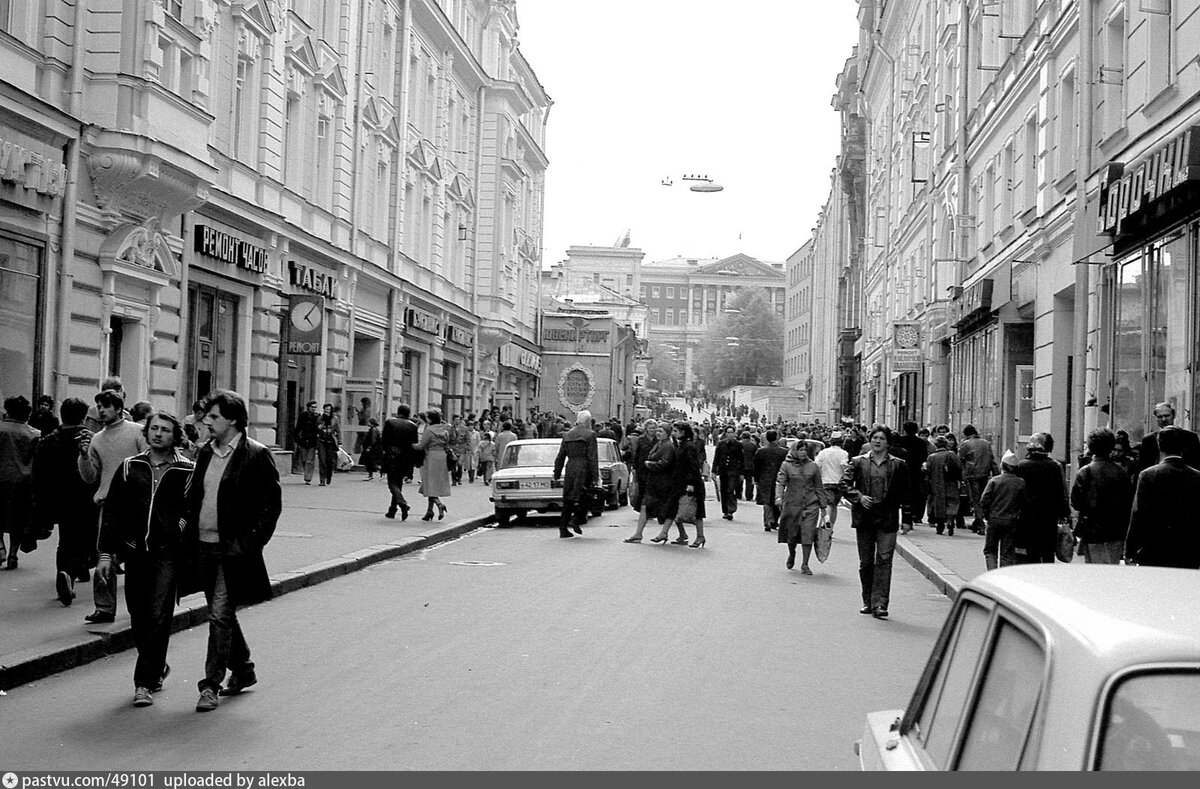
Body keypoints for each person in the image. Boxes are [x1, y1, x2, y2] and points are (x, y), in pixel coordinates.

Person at [182, 390, 281, 712]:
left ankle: (209, 685)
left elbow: (270, 507)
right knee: (220, 613)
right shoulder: (204, 453)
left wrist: (247, 545)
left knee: (220, 615)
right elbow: (194, 497)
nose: (206, 422)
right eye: (206, 416)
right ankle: (244, 670)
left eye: (213, 417)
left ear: (233, 420)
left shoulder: (256, 454)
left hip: (231, 550)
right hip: (203, 546)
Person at [96, 412, 194, 707]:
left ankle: (144, 683)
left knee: (158, 616)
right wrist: (105, 554)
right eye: (154, 429)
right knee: (139, 616)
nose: (158, 434)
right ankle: (157, 665)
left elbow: (192, 510)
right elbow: (113, 511)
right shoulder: (130, 467)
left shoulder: (187, 470)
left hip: (167, 553)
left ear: (174, 435)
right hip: (134, 551)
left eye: (165, 430)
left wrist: (176, 528)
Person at [77, 390, 147, 622]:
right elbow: (89, 477)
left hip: (138, 504)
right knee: (104, 555)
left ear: (119, 408)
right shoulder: (96, 439)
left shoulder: (136, 432)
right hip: (108, 504)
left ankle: (143, 606)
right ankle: (104, 608)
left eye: (106, 406)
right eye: (99, 406)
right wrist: (84, 456)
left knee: (140, 557)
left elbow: (148, 462)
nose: (101, 410)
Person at [840, 426, 912, 619]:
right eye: (874, 438)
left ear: (888, 442)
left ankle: (880, 603)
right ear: (870, 441)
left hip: (887, 517)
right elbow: (844, 484)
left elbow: (906, 492)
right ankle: (867, 600)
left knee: (884, 559)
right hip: (865, 517)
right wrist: (859, 496)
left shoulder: (898, 464)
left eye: (881, 438)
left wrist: (907, 518)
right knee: (866, 562)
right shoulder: (858, 462)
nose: (877, 441)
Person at [32, 397, 98, 604]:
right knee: (86, 539)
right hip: (86, 497)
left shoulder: (48, 440)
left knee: (66, 539)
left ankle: (64, 573)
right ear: (83, 416)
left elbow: (38, 475)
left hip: (58, 498)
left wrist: (40, 503)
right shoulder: (90, 440)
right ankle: (71, 571)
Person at [1125, 426, 1200, 568]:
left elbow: (1138, 514)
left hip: (1154, 547)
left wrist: (1130, 550)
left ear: (1159, 445)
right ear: (1183, 447)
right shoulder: (1196, 477)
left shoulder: (1148, 475)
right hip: (1188, 548)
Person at [1071, 428, 1134, 565]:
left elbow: (1076, 502)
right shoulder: (1122, 473)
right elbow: (1128, 503)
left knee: (1095, 570)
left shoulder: (1085, 471)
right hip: (1116, 531)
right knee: (1111, 567)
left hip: (1093, 531)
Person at [1013, 433, 1070, 564]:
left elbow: (1016, 492)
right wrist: (1064, 514)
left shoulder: (1021, 466)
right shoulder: (1055, 466)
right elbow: (1062, 493)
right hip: (1049, 517)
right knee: (1047, 552)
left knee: (1029, 553)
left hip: (1026, 516)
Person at [775, 439, 830, 574]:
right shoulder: (786, 465)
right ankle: (792, 552)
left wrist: (823, 507)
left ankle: (805, 564)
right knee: (792, 534)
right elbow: (780, 482)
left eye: (805, 450)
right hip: (792, 504)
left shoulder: (813, 466)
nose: (803, 452)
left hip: (811, 505)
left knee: (808, 534)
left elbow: (819, 487)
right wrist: (779, 497)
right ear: (794, 451)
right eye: (800, 450)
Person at [1, 395, 41, 571]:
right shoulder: (34, 434)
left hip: (0, 479)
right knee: (17, 519)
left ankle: (0, 546)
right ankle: (12, 553)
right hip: (23, 482)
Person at [623, 424, 676, 543]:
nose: (658, 433)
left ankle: (664, 533)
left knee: (667, 508)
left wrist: (650, 464)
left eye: (661, 431)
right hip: (654, 481)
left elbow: (665, 463)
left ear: (667, 433)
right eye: (657, 431)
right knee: (645, 507)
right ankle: (639, 534)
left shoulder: (667, 446)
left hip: (663, 483)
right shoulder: (659, 444)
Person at [552, 410, 600, 539]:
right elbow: (592, 457)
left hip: (571, 467)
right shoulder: (590, 435)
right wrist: (596, 476)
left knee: (568, 498)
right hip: (584, 468)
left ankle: (563, 528)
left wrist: (556, 473)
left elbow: (561, 456)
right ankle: (576, 518)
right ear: (588, 421)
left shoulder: (567, 435)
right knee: (587, 496)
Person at [663, 420, 708, 547]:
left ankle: (700, 536)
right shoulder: (682, 444)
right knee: (676, 508)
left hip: (690, 482)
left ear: (683, 432)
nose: (673, 433)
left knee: (696, 510)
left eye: (676, 431)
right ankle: (683, 534)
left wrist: (691, 483)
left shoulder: (689, 446)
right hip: (681, 482)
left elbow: (693, 466)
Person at [980, 450, 1026, 570]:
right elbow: (1023, 502)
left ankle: (992, 574)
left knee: (990, 550)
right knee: (1007, 552)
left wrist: (987, 515)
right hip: (1011, 520)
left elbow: (984, 500)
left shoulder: (994, 481)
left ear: (1002, 465)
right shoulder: (1021, 483)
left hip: (994, 518)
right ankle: (1003, 577)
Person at [1135, 401, 1200, 473]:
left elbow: (1196, 465)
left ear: (1173, 416)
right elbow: (1142, 467)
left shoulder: (1190, 437)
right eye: (1160, 417)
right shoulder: (1148, 440)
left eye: (1167, 416)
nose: (1163, 419)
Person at [381, 404, 419, 520]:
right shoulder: (413, 426)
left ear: (398, 412)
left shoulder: (390, 422)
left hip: (391, 455)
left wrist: (384, 453)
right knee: (399, 482)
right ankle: (392, 510)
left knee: (392, 483)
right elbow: (414, 444)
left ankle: (402, 503)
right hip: (405, 457)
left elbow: (384, 440)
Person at [958, 425, 998, 535]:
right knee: (983, 498)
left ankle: (981, 525)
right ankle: (977, 522)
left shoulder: (965, 444)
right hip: (985, 474)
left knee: (975, 500)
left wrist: (961, 476)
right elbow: (992, 459)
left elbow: (959, 460)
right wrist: (996, 473)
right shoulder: (986, 443)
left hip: (972, 474)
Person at [414, 408, 451, 521]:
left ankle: (439, 504)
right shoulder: (445, 430)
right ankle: (429, 511)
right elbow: (446, 446)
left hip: (431, 457)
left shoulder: (429, 430)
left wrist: (410, 445)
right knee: (434, 484)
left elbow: (421, 446)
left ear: (430, 419)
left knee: (429, 484)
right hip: (442, 457)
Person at [923, 436, 962, 536]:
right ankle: (950, 520)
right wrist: (961, 480)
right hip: (951, 483)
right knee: (952, 502)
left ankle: (940, 526)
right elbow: (959, 468)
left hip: (937, 484)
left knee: (939, 505)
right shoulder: (952, 454)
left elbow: (927, 471)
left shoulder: (932, 457)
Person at [753, 430, 789, 532]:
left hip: (765, 478)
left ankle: (768, 521)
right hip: (779, 479)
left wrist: (756, 479)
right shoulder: (784, 452)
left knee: (767, 501)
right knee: (777, 500)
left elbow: (756, 466)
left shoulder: (761, 451)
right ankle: (774, 521)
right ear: (777, 438)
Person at [814, 433, 849, 529]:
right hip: (839, 482)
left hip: (825, 481)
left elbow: (817, 465)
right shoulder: (844, 453)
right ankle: (831, 527)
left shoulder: (823, 452)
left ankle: (827, 519)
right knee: (834, 505)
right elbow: (844, 465)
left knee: (828, 503)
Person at [898, 421, 929, 525]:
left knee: (903, 494)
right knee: (916, 494)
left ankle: (905, 517)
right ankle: (914, 515)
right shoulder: (921, 442)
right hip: (916, 471)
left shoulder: (900, 440)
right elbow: (924, 457)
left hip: (902, 470)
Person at [713, 426, 742, 520]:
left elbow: (741, 459)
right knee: (724, 490)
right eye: (728, 432)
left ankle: (731, 510)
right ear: (725, 433)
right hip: (723, 470)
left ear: (734, 433)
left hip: (733, 470)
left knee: (730, 489)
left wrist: (741, 473)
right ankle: (725, 511)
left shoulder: (738, 445)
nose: (730, 434)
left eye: (731, 432)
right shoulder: (721, 444)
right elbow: (716, 458)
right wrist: (713, 471)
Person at [293, 401, 319, 485]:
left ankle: (308, 478)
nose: (313, 409)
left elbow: (318, 429)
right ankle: (306, 472)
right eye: (312, 407)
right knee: (304, 459)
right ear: (308, 407)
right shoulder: (303, 415)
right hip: (303, 440)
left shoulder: (317, 416)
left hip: (312, 441)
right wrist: (296, 438)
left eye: (315, 407)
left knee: (310, 460)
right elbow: (298, 427)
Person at [316, 403, 341, 486]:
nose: (326, 411)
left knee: (329, 461)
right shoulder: (320, 418)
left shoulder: (335, 419)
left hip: (331, 442)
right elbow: (316, 429)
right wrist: (319, 428)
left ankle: (329, 476)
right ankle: (322, 480)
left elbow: (338, 430)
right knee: (322, 461)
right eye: (325, 409)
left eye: (328, 409)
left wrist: (340, 442)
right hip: (322, 441)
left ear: (331, 410)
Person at [448, 414, 469, 485]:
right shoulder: (450, 429)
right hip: (453, 448)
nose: (457, 421)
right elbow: (448, 440)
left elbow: (467, 439)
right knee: (453, 465)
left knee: (460, 464)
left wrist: (467, 448)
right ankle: (454, 480)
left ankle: (459, 478)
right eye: (455, 420)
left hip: (462, 448)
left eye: (458, 420)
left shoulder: (465, 429)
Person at [740, 431, 759, 501]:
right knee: (749, 482)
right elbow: (756, 456)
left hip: (740, 465)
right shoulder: (753, 445)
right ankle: (749, 495)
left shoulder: (739, 444)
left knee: (739, 481)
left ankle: (739, 494)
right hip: (750, 465)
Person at [464, 419, 481, 484]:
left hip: (475, 450)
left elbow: (478, 442)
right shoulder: (466, 433)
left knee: (473, 464)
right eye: (469, 426)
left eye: (472, 426)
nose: (470, 427)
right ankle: (469, 476)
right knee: (468, 464)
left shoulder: (476, 433)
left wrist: (478, 451)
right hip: (468, 450)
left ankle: (472, 477)